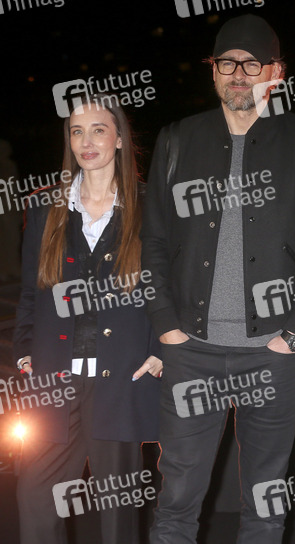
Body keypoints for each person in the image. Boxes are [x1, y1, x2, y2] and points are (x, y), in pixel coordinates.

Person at [141, 13, 295, 544]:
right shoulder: (177, 140)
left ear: (276, 72)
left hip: (272, 353)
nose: (238, 73)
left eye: (252, 63)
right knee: (175, 505)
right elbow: (153, 241)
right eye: (227, 62)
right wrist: (166, 326)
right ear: (212, 70)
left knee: (264, 509)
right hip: (191, 351)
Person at [13, 96, 161, 544]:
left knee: (118, 512)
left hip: (122, 378)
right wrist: (24, 353)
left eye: (99, 129)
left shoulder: (152, 205)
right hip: (54, 379)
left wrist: (159, 351)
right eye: (77, 131)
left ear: (119, 139)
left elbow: (170, 289)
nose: (86, 141)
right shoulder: (46, 207)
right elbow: (30, 292)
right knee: (35, 500)